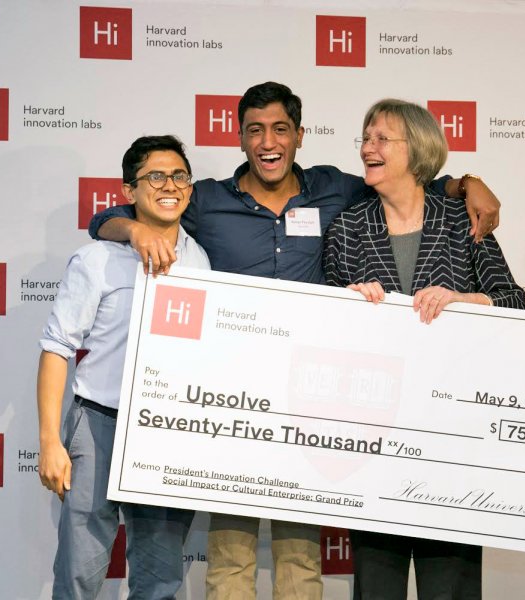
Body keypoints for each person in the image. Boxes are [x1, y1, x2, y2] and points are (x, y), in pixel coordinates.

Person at [88, 82, 503, 600]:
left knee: (300, 559)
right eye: (255, 130)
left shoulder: (336, 191)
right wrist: (132, 231)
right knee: (231, 557)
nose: (268, 141)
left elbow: (409, 181)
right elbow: (101, 219)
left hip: (311, 401)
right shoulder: (208, 200)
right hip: (234, 401)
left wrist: (469, 183)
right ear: (239, 137)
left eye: (280, 128)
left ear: (300, 136)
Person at [323, 98, 525, 599]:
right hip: (374, 442)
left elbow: (516, 303)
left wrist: (464, 300)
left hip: (452, 443)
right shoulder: (347, 229)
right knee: (377, 588)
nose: (367, 149)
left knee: (450, 588)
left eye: (381, 139)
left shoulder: (462, 220)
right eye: (365, 139)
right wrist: (345, 307)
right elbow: (322, 330)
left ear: (416, 151)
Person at [37, 135, 210, 599]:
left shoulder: (200, 260)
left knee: (160, 580)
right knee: (80, 573)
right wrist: (50, 440)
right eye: (155, 176)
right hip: (97, 425)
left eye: (178, 175)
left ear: (190, 188)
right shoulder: (96, 259)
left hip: (166, 429)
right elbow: (57, 348)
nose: (168, 185)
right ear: (129, 191)